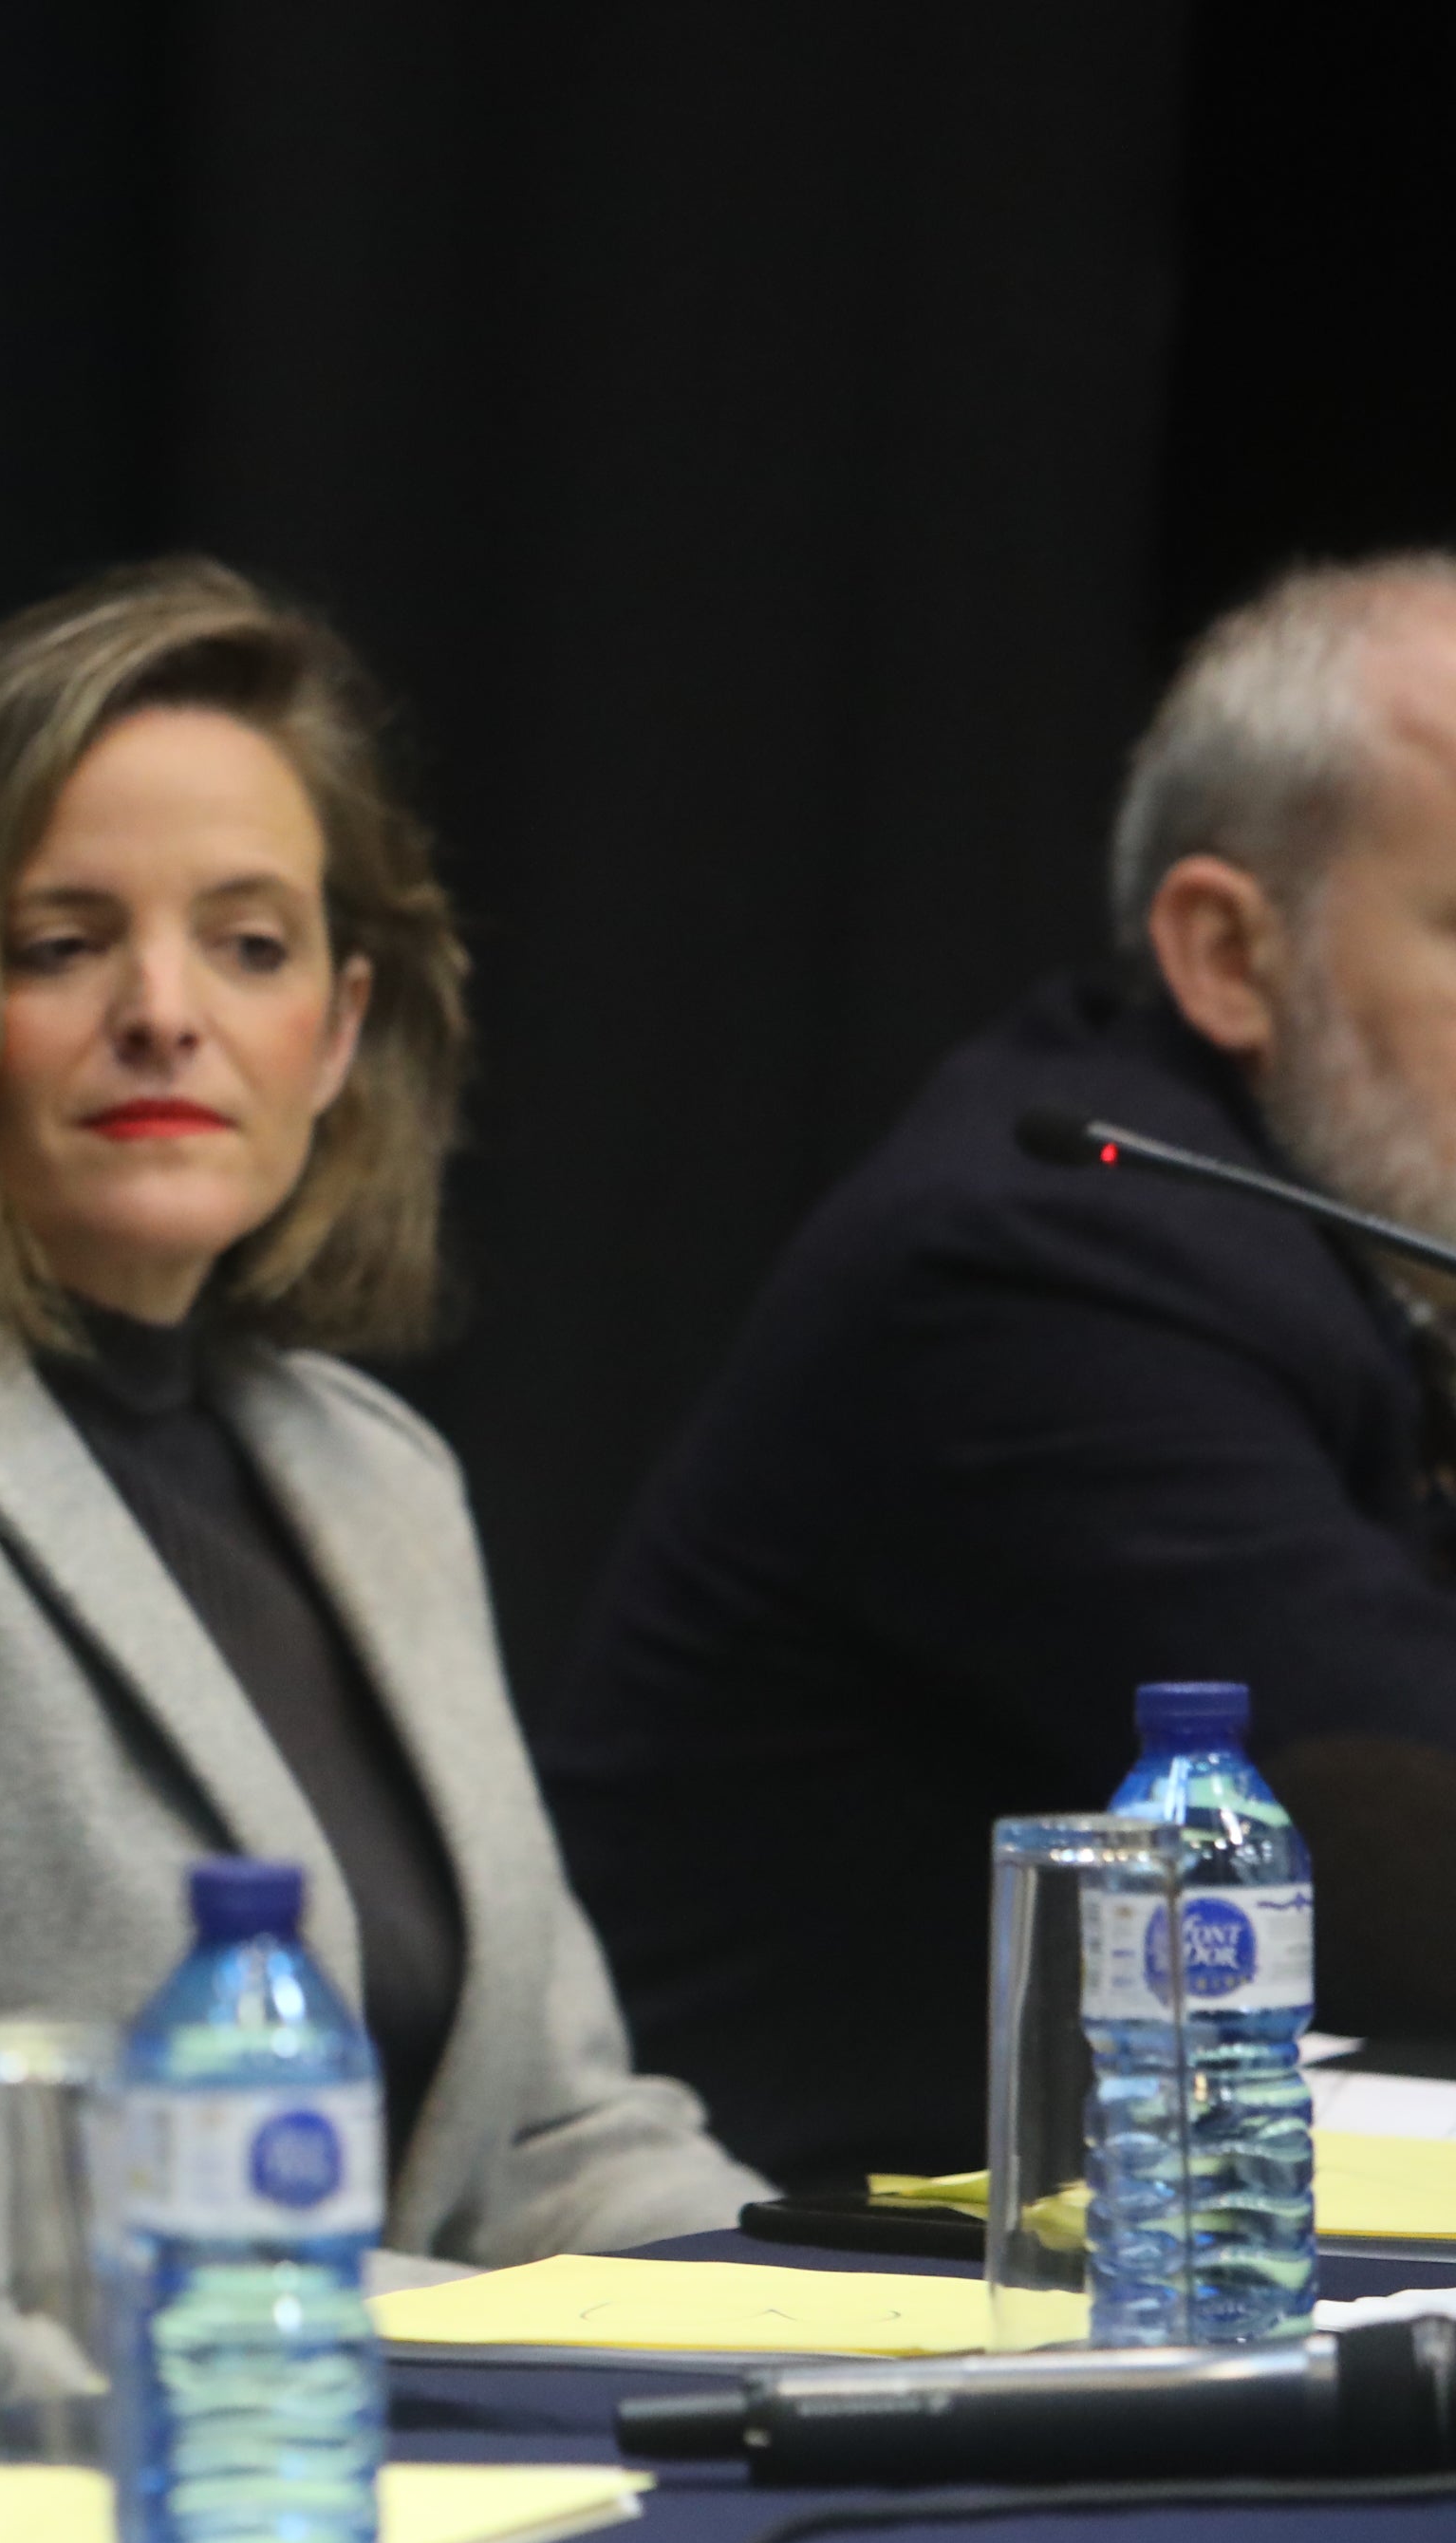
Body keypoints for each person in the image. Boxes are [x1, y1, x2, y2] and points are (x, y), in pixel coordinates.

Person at [0, 562, 763, 2450]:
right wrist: (437, 2390)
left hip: (417, 2470)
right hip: (19, 2523)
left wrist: (834, 2349)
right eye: (61, 944)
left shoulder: (376, 1471)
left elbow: (561, 2139)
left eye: (252, 946)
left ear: (342, 1033)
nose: (164, 1015)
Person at [551, 555, 1456, 2184]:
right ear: (1230, 956)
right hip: (790, 2299)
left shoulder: (1373, 1257)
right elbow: (1407, 1838)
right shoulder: (1052, 1255)